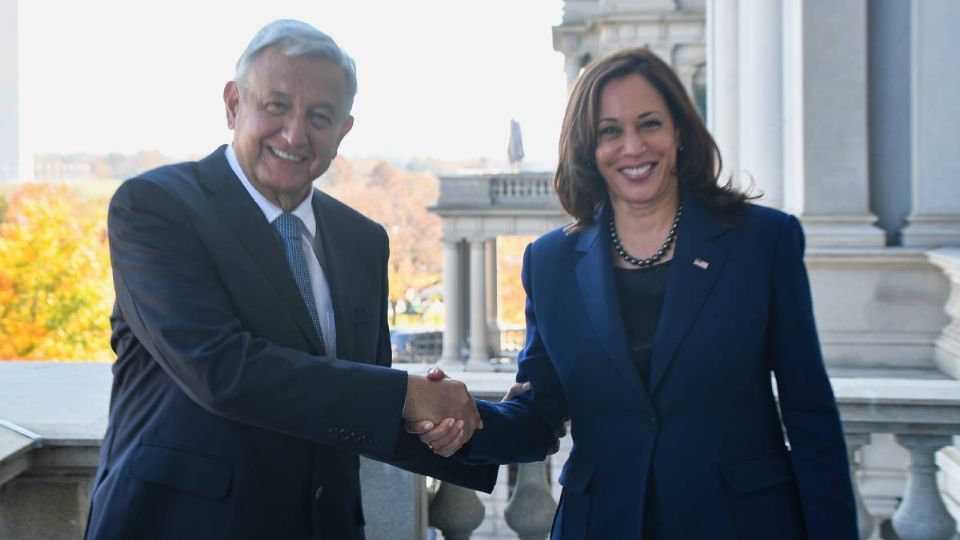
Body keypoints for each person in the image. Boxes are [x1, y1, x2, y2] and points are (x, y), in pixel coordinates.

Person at [411, 47, 858, 539]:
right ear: (588, 148)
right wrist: (465, 421)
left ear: (680, 131)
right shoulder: (550, 261)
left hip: (741, 523)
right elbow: (539, 415)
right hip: (601, 523)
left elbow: (810, 414)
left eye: (649, 124)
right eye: (610, 131)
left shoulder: (762, 242)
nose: (633, 146)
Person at [85, 19, 494, 540]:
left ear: (343, 130)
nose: (295, 133)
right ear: (234, 103)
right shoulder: (155, 207)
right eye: (275, 106)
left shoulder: (362, 239)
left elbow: (348, 397)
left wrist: (471, 426)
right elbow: (220, 369)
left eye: (319, 116)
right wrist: (403, 396)